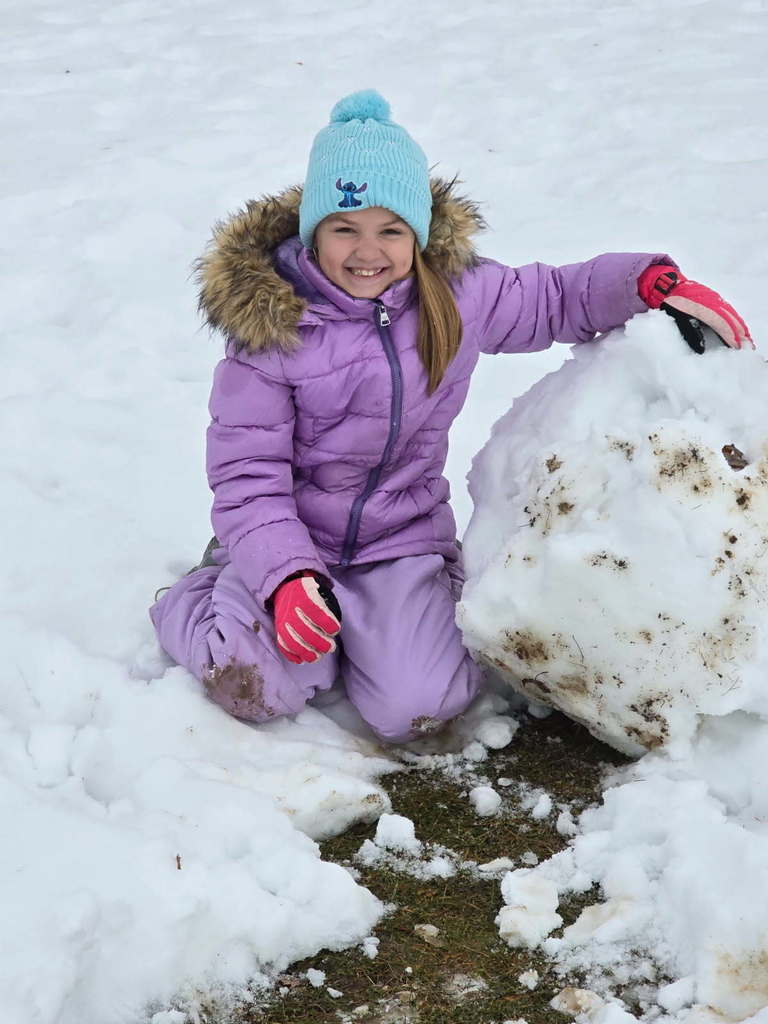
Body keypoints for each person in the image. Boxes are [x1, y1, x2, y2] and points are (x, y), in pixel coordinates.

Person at [150, 89, 751, 744]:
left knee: (422, 705)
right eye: (344, 228)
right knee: (257, 687)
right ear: (313, 231)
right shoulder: (272, 332)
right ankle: (211, 593)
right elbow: (248, 479)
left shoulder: (456, 294)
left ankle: (365, 627)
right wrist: (285, 575)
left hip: (398, 540)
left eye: (390, 230)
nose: (367, 251)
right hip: (296, 537)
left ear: (418, 232)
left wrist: (644, 283)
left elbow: (553, 298)